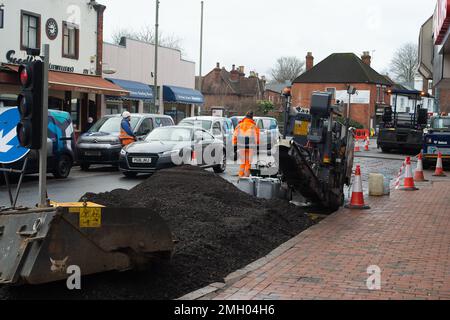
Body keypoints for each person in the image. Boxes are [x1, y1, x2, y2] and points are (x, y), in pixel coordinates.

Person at [232, 111, 260, 178]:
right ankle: (246, 177)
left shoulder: (239, 125)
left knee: (243, 162)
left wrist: (235, 147)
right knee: (248, 163)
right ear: (252, 118)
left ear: (245, 117)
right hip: (250, 147)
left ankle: (240, 176)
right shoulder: (254, 126)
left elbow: (235, 137)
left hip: (241, 147)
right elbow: (257, 138)